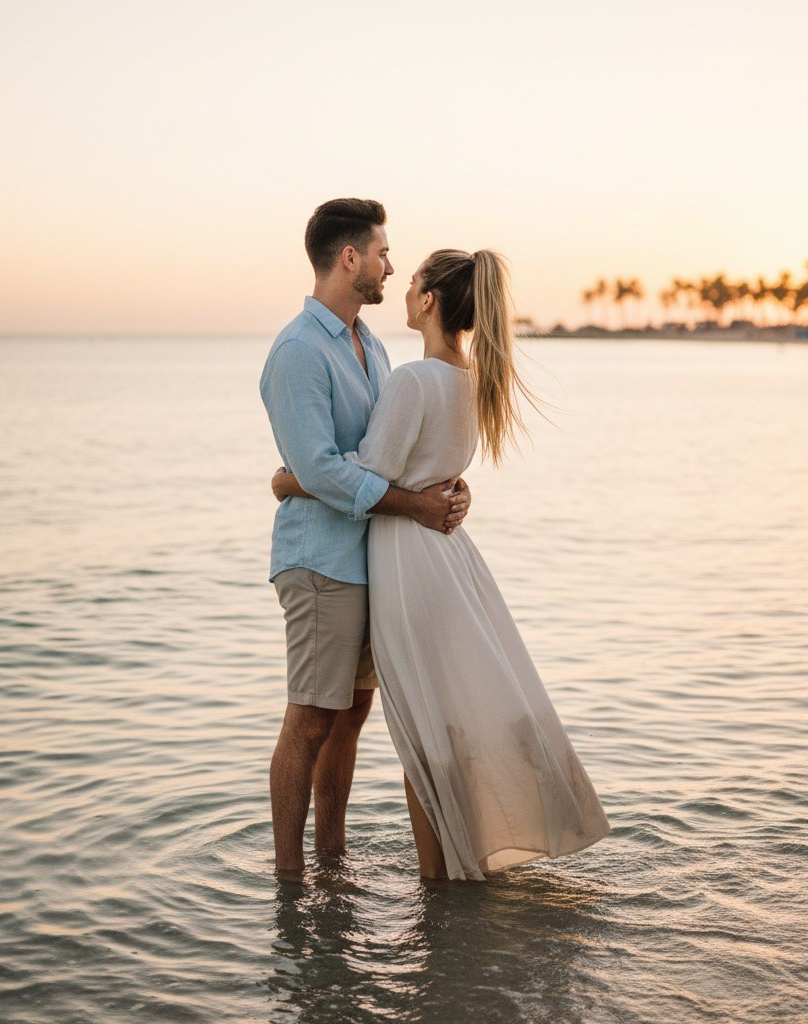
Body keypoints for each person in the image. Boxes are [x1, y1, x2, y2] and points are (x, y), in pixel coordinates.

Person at [272, 248, 613, 881]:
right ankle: (454, 868)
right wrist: (453, 493)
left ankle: (437, 879)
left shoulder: (412, 378)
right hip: (448, 558)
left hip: (408, 560)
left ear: (428, 301)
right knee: (443, 719)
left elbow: (369, 472)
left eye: (415, 279)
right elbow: (443, 472)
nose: (401, 283)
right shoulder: (468, 377)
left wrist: (292, 482)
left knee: (421, 728)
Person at [259, 199, 472, 881]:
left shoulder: (373, 347)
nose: (390, 266)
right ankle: (290, 879)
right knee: (311, 718)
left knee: (350, 716)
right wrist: (415, 505)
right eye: (382, 253)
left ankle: (332, 856)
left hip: (374, 559)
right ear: (348, 258)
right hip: (321, 559)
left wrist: (450, 489)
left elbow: (398, 451)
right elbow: (319, 466)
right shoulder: (298, 349)